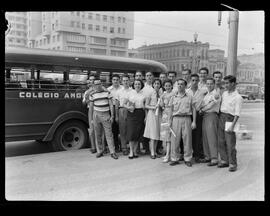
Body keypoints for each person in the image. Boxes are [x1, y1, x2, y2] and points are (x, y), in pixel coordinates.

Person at [168, 78, 196, 167]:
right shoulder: (173, 97)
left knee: (187, 140)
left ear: (185, 86)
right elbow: (170, 110)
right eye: (178, 84)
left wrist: (194, 121)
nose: (180, 86)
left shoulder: (190, 97)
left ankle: (187, 158)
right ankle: (174, 158)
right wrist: (169, 121)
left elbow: (194, 109)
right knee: (175, 139)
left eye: (182, 84)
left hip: (186, 118)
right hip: (176, 119)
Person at [217, 75, 243, 172]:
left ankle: (233, 163)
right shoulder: (224, 94)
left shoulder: (238, 97)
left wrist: (232, 125)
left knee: (230, 143)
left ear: (233, 83)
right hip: (222, 117)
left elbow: (237, 113)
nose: (225, 85)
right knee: (221, 141)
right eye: (225, 83)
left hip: (230, 119)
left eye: (227, 83)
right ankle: (224, 160)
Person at [89, 78, 118, 160]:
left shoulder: (107, 92)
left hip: (106, 115)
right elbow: (91, 108)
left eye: (99, 84)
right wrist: (91, 119)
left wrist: (112, 116)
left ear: (101, 84)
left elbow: (111, 105)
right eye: (96, 84)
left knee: (109, 134)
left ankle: (112, 152)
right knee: (97, 134)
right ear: (94, 85)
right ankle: (100, 151)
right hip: (96, 115)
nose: (98, 86)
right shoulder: (92, 94)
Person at [186, 73, 208, 163]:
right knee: (187, 135)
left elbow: (207, 101)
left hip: (198, 115)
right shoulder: (187, 92)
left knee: (197, 136)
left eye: (196, 80)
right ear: (190, 81)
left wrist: (202, 109)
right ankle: (186, 154)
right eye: (193, 80)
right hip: (188, 115)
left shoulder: (202, 91)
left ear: (199, 81)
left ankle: (197, 155)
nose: (194, 82)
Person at [199, 78, 221, 166]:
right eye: (207, 84)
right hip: (205, 116)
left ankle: (214, 158)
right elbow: (203, 104)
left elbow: (210, 105)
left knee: (212, 137)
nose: (209, 85)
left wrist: (202, 109)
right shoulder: (207, 94)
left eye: (211, 84)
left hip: (212, 115)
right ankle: (207, 156)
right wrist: (202, 108)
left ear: (214, 84)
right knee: (205, 137)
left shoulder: (216, 94)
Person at [124, 79, 146, 159]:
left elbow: (145, 106)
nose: (137, 85)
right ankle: (131, 152)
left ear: (141, 85)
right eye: (136, 84)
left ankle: (135, 151)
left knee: (138, 133)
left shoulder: (144, 94)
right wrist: (129, 107)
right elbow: (123, 104)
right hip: (132, 113)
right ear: (133, 85)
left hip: (140, 113)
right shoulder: (130, 93)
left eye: (139, 84)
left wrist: (145, 116)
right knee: (131, 133)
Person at [144, 78, 163, 159]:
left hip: (159, 115)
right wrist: (153, 107)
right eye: (155, 83)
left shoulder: (161, 93)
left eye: (158, 84)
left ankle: (155, 151)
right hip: (152, 115)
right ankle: (152, 152)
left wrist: (161, 106)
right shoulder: (150, 93)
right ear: (153, 84)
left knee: (156, 134)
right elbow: (146, 105)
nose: (157, 85)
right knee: (152, 134)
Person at [115, 75, 133, 156]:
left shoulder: (132, 91)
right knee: (122, 130)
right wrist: (116, 115)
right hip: (121, 110)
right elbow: (116, 104)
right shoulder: (119, 91)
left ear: (129, 81)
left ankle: (131, 147)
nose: (125, 82)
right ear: (122, 82)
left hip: (130, 111)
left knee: (130, 129)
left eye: (127, 80)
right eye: (124, 80)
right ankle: (124, 148)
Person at [107, 74, 124, 152]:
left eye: (117, 79)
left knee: (122, 128)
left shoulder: (123, 88)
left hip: (121, 108)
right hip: (112, 109)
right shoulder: (109, 89)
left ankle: (123, 146)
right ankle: (116, 146)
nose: (115, 81)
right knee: (114, 130)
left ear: (119, 80)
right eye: (114, 79)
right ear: (112, 80)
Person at [159, 79, 174, 163]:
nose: (167, 87)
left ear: (171, 86)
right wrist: (160, 99)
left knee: (169, 137)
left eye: (169, 85)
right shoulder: (163, 95)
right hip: (164, 115)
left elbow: (171, 106)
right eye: (166, 86)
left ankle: (168, 155)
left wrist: (170, 119)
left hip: (170, 115)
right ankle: (167, 154)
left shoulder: (173, 94)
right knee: (165, 136)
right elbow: (162, 106)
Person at [82, 75, 97, 154]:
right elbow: (83, 103)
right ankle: (93, 147)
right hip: (91, 110)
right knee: (92, 130)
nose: (92, 81)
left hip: (99, 110)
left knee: (100, 130)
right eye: (90, 80)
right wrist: (87, 98)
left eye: (93, 80)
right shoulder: (87, 91)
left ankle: (101, 148)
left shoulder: (99, 89)